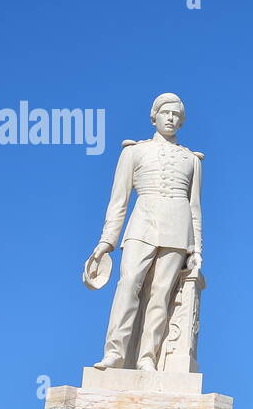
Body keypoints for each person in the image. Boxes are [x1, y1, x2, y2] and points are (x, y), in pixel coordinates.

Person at [84, 93, 202, 370]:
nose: (171, 119)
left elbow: (195, 207)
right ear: (155, 116)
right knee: (128, 286)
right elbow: (118, 201)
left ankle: (147, 357)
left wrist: (197, 249)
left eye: (176, 115)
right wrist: (106, 242)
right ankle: (115, 353)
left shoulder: (192, 159)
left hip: (178, 228)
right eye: (166, 113)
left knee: (160, 295)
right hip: (142, 224)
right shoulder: (134, 152)